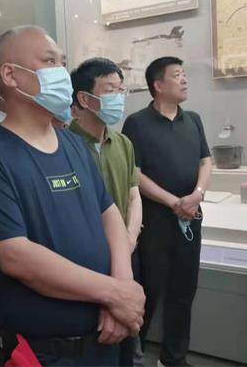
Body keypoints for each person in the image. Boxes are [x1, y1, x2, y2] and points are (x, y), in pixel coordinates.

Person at [0, 26, 145, 366]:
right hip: (44, 350)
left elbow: (108, 213)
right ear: (10, 75)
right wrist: (114, 293)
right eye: (49, 62)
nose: (61, 72)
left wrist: (122, 285)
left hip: (105, 337)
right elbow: (16, 256)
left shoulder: (72, 143)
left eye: (63, 62)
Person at [122, 56, 212, 367]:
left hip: (190, 220)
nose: (184, 80)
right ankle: (132, 358)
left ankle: (174, 359)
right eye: (177, 75)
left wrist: (197, 195)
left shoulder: (193, 120)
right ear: (158, 85)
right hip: (155, 222)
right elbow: (134, 173)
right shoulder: (137, 123)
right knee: (148, 291)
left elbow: (205, 161)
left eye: (184, 74)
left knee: (184, 292)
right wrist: (174, 202)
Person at [69, 57, 143, 367]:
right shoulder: (65, 144)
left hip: (126, 253)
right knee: (99, 337)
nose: (118, 97)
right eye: (110, 90)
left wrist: (129, 238)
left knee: (129, 333)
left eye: (120, 90)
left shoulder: (122, 142)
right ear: (84, 99)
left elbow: (133, 195)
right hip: (86, 259)